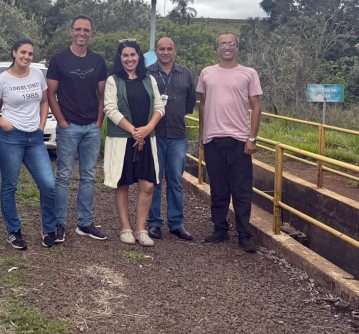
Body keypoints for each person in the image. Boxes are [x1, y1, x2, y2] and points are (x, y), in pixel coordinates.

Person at [197, 33, 262, 253]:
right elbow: (203, 105)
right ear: (217, 48)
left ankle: (244, 234)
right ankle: (220, 228)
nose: (227, 47)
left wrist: (252, 138)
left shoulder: (248, 73)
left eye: (231, 44)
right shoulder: (207, 73)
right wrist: (201, 137)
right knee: (218, 187)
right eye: (223, 44)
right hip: (213, 138)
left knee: (242, 190)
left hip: (239, 140)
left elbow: (256, 107)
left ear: (237, 48)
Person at [0, 39, 57, 250]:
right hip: (10, 138)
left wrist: (42, 124)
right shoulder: (1, 80)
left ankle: (48, 229)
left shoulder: (37, 75)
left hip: (34, 138)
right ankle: (14, 231)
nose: (26, 57)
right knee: (10, 185)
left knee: (48, 184)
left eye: (30, 53)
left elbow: (45, 101)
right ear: (14, 53)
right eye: (23, 52)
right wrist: (5, 125)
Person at [47, 15, 108, 243]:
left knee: (89, 176)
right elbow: (51, 93)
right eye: (78, 29)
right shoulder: (59, 59)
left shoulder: (98, 61)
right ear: (71, 31)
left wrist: (99, 121)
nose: (82, 33)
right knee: (63, 176)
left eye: (87, 30)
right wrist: (62, 121)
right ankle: (60, 223)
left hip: (92, 127)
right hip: (69, 126)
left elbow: (102, 94)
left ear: (91, 33)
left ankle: (85, 223)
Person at [103, 40, 165, 247]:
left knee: (147, 184)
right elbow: (110, 109)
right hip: (123, 139)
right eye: (125, 55)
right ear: (120, 58)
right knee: (122, 183)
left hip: (147, 139)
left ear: (139, 56)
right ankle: (126, 228)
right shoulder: (113, 80)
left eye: (133, 54)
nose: (129, 59)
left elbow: (159, 106)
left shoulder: (149, 80)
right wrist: (134, 131)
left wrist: (147, 130)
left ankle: (141, 228)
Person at [146, 37, 197, 241]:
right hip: (154, 135)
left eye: (169, 49)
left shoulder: (186, 74)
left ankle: (176, 223)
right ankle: (154, 223)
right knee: (154, 180)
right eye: (161, 49)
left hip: (177, 136)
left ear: (175, 50)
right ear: (156, 51)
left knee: (175, 180)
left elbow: (190, 104)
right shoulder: (147, 73)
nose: (165, 52)